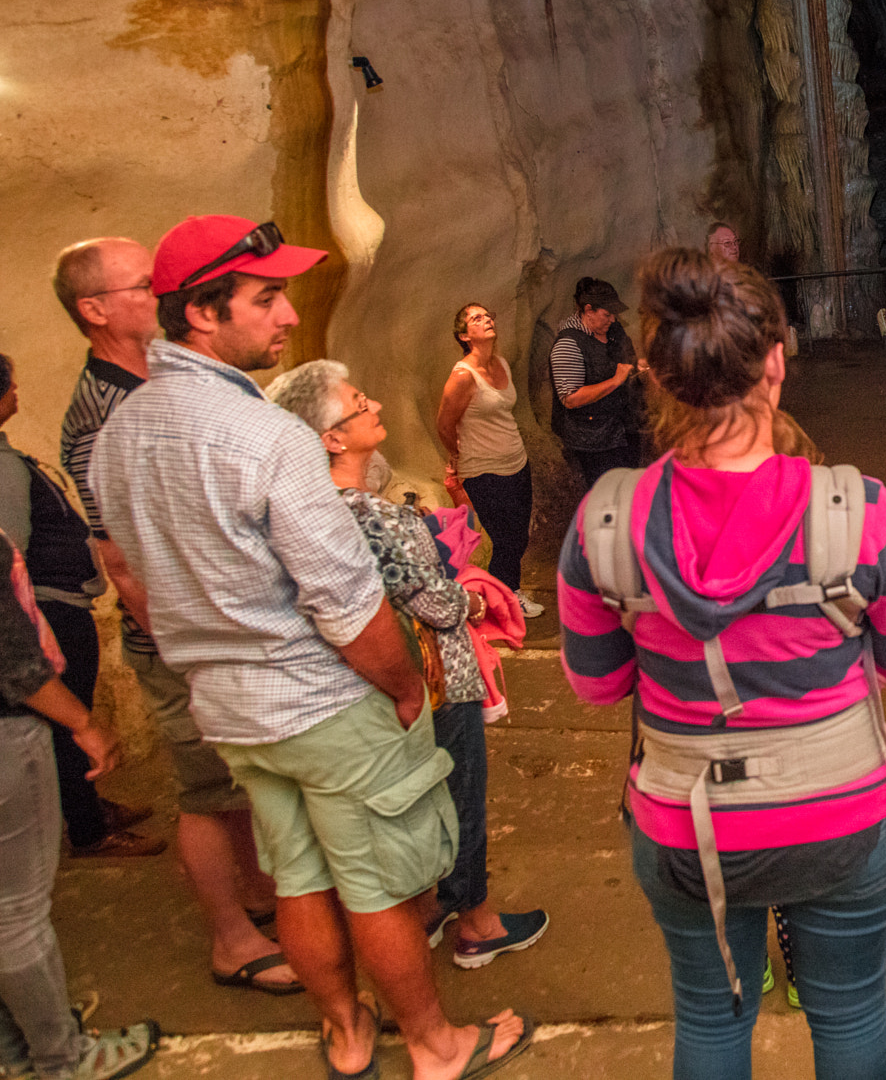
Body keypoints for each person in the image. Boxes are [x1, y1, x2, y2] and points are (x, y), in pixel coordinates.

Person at [91, 216, 530, 1080]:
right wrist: (405, 686)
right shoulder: (269, 437)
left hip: (231, 708)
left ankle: (346, 1032)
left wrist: (202, 657)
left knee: (297, 874)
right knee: (379, 884)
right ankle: (436, 1045)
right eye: (265, 299)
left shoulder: (120, 434)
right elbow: (345, 596)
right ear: (202, 316)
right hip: (325, 702)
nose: (287, 316)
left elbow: (130, 576)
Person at [559, 247, 886, 1079]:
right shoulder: (858, 509)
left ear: (654, 376)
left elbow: (596, 684)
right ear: (776, 364)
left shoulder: (604, 521)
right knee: (847, 1016)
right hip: (842, 812)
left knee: (711, 1017)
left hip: (687, 822)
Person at [52, 235, 298, 995]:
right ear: (95, 309)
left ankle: (260, 895)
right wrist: (188, 649)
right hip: (185, 640)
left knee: (239, 783)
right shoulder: (102, 411)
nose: (156, 290)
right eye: (139, 284)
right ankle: (232, 939)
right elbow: (121, 557)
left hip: (221, 630)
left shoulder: (161, 378)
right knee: (205, 788)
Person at [270, 359, 551, 971]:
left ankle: (428, 909)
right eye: (358, 400)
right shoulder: (374, 515)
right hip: (434, 678)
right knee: (460, 792)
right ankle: (476, 921)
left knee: (415, 801)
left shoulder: (309, 510)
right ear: (331, 438)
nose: (373, 404)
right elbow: (432, 601)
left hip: (370, 686)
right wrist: (477, 599)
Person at [0, 462, 161, 1080]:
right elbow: (8, 655)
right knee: (13, 913)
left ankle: (10, 1051)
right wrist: (81, 722)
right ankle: (63, 1059)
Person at [0, 349, 164, 862]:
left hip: (50, 604)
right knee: (67, 722)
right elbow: (5, 554)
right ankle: (89, 830)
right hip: (47, 610)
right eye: (7, 385)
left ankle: (88, 807)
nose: (16, 391)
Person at [436, 304, 543, 618]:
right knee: (505, 539)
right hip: (484, 468)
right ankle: (500, 603)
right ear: (464, 335)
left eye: (487, 315)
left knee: (519, 535)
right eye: (476, 318)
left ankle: (510, 592)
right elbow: (444, 423)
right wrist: (455, 454)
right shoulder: (462, 376)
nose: (486, 320)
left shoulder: (502, 365)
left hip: (516, 461)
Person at [549, 277, 643, 486]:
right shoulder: (568, 344)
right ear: (588, 310)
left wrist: (638, 366)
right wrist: (615, 381)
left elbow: (626, 361)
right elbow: (570, 398)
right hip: (594, 441)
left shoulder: (613, 331)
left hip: (622, 429)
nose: (612, 320)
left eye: (614, 315)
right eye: (606, 315)